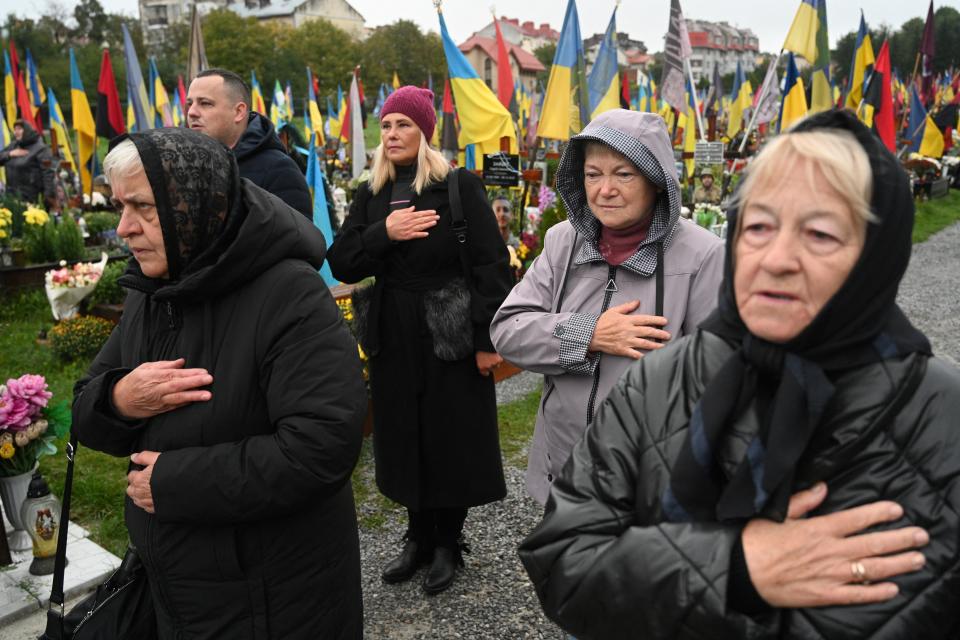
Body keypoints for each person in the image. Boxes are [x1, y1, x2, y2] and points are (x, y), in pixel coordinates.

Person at [518, 110, 960, 639]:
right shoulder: (662, 380)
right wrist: (736, 568)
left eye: (819, 233)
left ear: (876, 256)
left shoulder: (941, 419)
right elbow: (563, 561)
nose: (775, 259)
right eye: (758, 226)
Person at [72, 128, 367, 639]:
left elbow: (321, 447)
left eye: (142, 207)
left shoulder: (288, 293)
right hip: (178, 582)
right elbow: (84, 407)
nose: (124, 228)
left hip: (271, 594)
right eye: (120, 206)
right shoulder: (154, 289)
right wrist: (120, 399)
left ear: (195, 204)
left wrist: (170, 483)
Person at [327, 86, 513, 595]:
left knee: (449, 436)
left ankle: (449, 542)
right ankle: (417, 536)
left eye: (402, 125)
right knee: (403, 434)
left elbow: (491, 266)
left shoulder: (458, 186)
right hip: (392, 330)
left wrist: (485, 338)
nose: (391, 134)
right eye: (385, 126)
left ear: (424, 131)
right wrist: (383, 232)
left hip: (448, 330)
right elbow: (342, 261)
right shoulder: (371, 192)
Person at [490, 109, 724, 505]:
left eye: (624, 174)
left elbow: (719, 376)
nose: (604, 189)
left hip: (648, 484)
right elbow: (508, 330)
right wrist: (590, 335)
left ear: (656, 181)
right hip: (562, 474)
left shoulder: (704, 256)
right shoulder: (563, 242)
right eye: (593, 174)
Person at [186, 69, 312, 218]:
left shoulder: (278, 170)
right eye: (189, 104)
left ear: (239, 112)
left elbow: (296, 238)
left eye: (205, 103)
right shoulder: (184, 164)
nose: (191, 112)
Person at [0, 120, 55, 206]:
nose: (16, 132)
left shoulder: (41, 149)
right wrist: (10, 154)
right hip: (12, 196)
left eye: (19, 129)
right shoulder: (13, 146)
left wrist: (47, 198)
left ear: (27, 130)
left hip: (31, 198)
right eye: (15, 129)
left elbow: (48, 174)